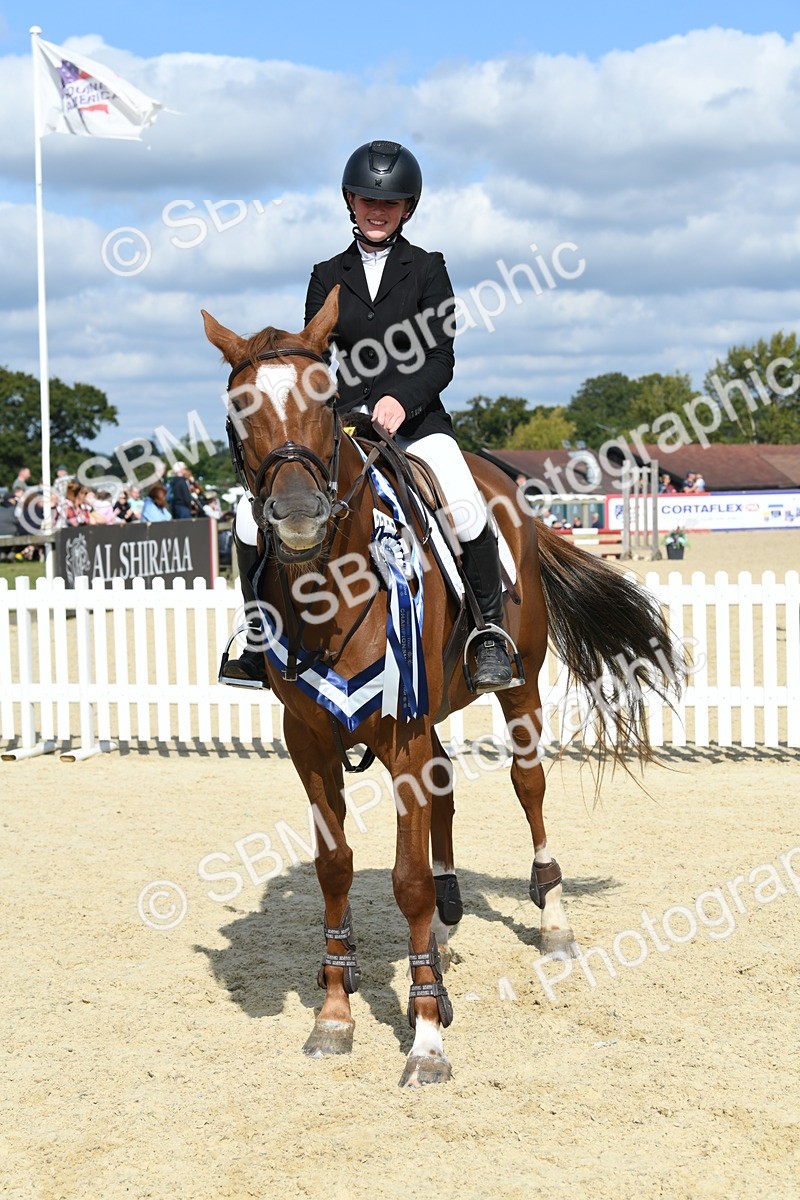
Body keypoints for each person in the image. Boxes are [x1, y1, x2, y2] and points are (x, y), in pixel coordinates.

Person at [223, 139, 514, 693]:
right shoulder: (326, 272)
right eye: (366, 200)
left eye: (390, 203)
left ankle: (489, 636)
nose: (377, 211)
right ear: (350, 203)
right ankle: (260, 639)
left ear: (407, 208)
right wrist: (337, 408)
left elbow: (440, 356)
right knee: (245, 517)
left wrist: (402, 400)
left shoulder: (428, 269)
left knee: (465, 507)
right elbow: (314, 352)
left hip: (418, 424)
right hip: (345, 427)